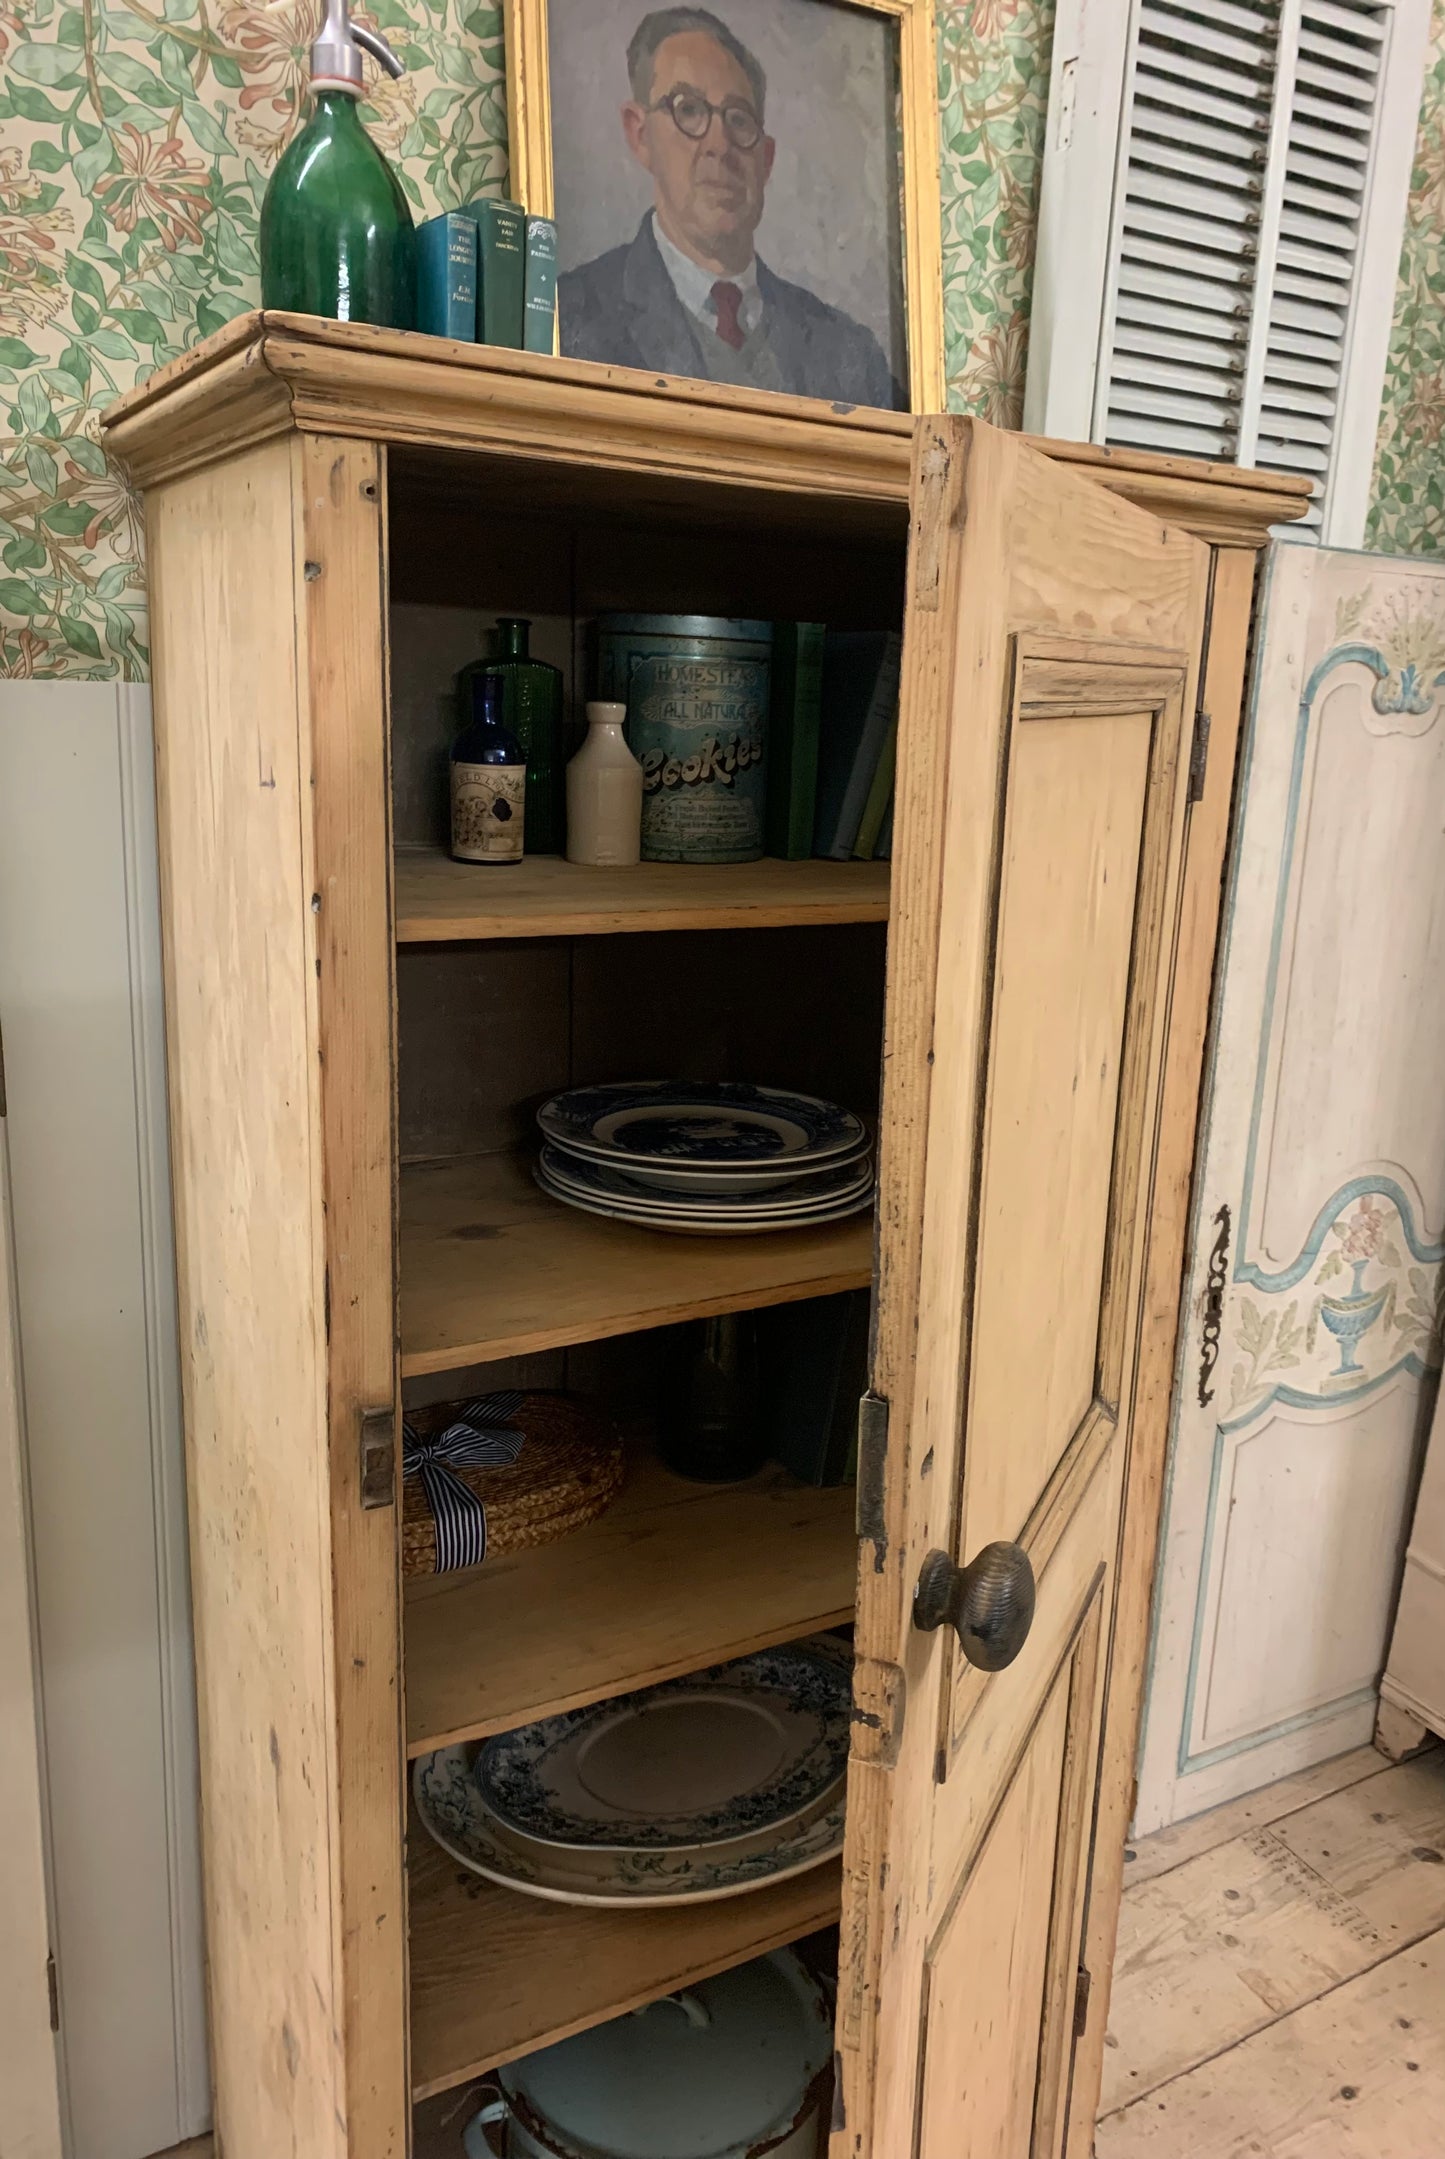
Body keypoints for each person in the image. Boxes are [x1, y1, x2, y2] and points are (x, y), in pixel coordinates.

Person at [559, 5, 904, 408]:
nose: (719, 146)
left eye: (739, 120)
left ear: (767, 159)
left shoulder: (850, 354)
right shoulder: (569, 317)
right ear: (640, 135)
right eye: (688, 109)